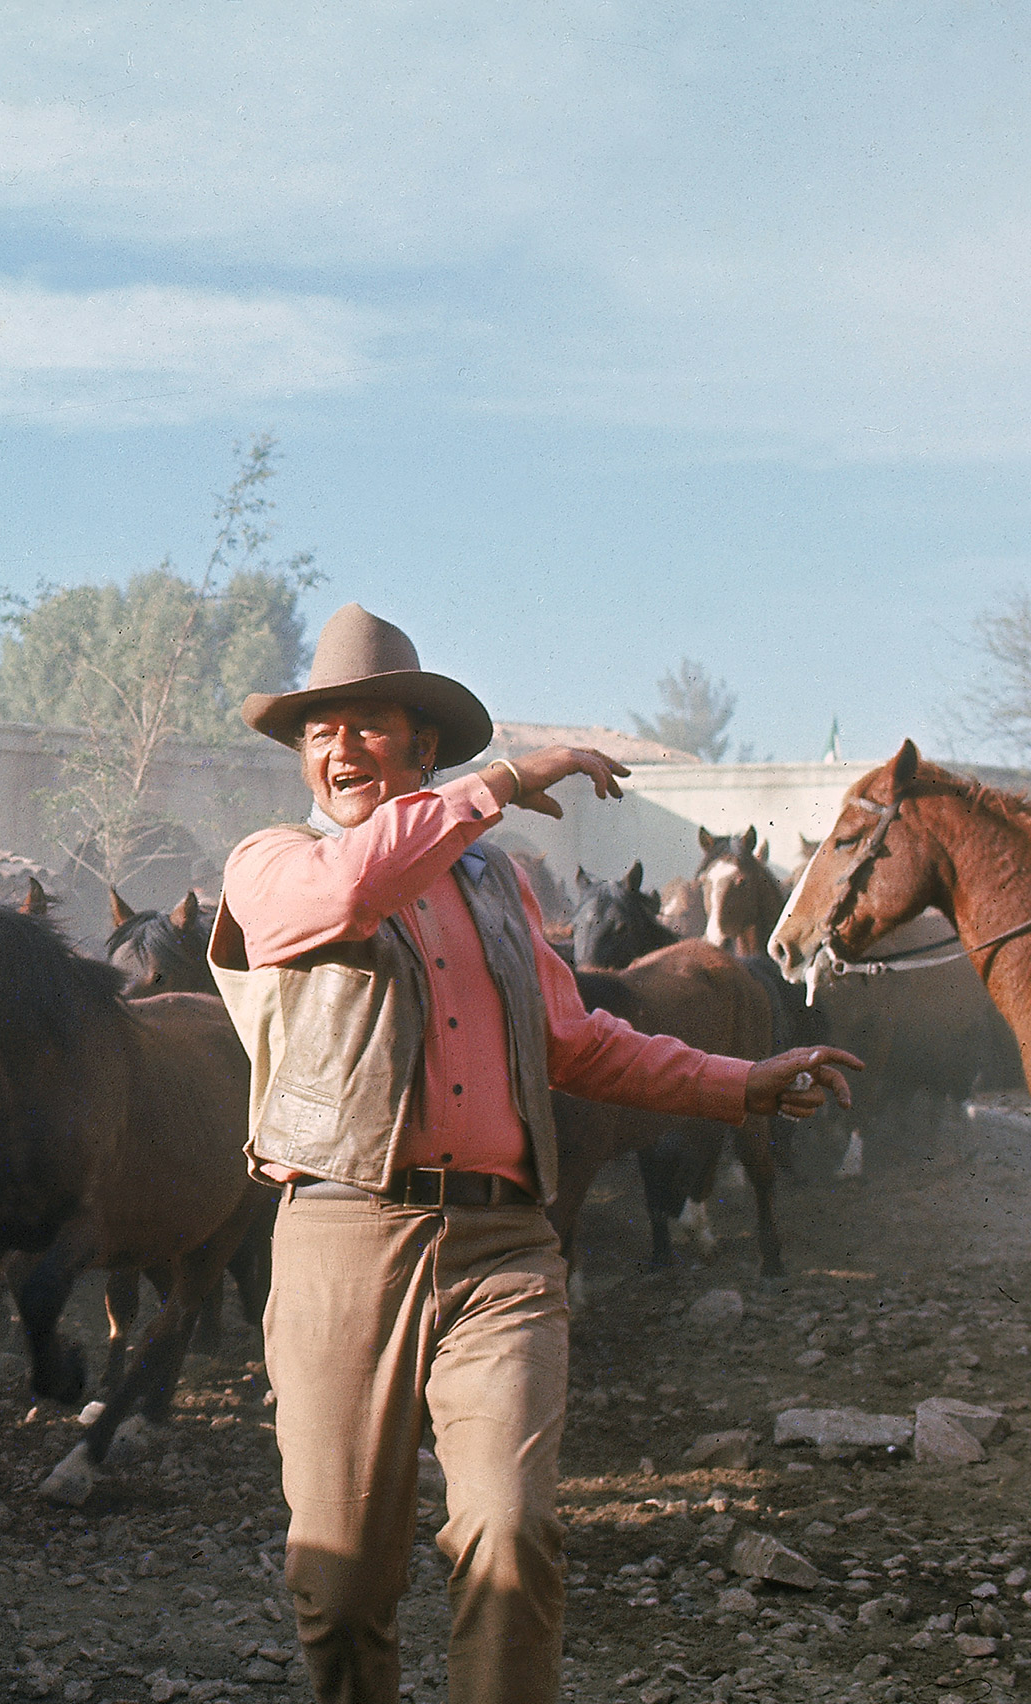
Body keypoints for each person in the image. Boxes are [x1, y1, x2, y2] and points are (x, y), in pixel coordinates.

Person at [205, 603, 857, 1704]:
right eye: (320, 732)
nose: (339, 749)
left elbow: (575, 1040)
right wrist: (503, 784)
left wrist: (738, 1083)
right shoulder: (273, 864)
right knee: (340, 1584)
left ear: (421, 745)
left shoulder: (496, 887)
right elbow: (351, 891)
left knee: (510, 1538)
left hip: (502, 1245)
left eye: (367, 725)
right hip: (342, 1239)